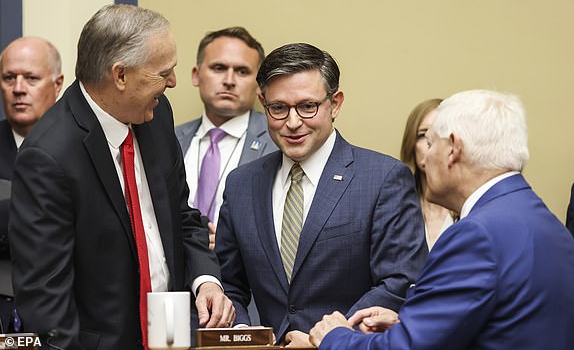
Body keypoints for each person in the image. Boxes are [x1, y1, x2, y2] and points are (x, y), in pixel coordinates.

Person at [9, 4, 234, 349]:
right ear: (120, 75)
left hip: (172, 334)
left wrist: (206, 280)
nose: (173, 82)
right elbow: (45, 299)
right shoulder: (49, 156)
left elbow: (182, 216)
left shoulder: (155, 116)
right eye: (163, 73)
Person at [310, 89, 574, 350]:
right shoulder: (544, 221)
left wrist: (335, 336)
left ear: (453, 148)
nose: (425, 158)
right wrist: (407, 323)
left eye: (432, 143)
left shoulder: (475, 235)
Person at [215, 42, 427, 346]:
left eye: (307, 106)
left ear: (335, 103)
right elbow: (230, 285)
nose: (292, 122)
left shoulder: (383, 178)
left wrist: (327, 339)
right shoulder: (241, 185)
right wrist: (244, 337)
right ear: (263, 104)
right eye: (279, 108)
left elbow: (398, 282)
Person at [175, 26, 276, 249]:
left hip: (242, 279)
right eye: (219, 68)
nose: (229, 80)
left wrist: (230, 240)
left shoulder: (279, 142)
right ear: (196, 75)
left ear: (259, 84)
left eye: (242, 71)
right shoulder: (168, 139)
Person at [0, 36, 63, 332]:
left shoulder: (80, 147)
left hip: (64, 319)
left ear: (58, 84)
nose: (18, 89)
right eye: (9, 78)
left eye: (31, 78)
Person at [400, 98, 456, 249]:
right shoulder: (397, 205)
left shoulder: (466, 206)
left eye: (439, 134)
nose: (430, 142)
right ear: (411, 144)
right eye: (423, 134)